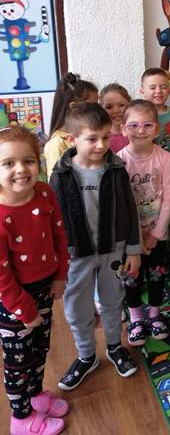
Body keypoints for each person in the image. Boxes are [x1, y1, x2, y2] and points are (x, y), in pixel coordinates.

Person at [49, 102, 141, 391]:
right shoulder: (60, 174)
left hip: (113, 250)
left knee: (113, 301)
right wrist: (55, 261)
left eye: (105, 137)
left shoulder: (116, 169)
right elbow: (52, 219)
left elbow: (130, 210)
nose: (101, 145)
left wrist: (133, 250)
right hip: (76, 255)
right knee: (77, 307)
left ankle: (115, 347)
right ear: (72, 139)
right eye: (92, 138)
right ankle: (86, 355)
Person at [0, 126, 69, 435]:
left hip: (45, 289)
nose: (20, 169)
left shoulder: (44, 192)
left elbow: (59, 236)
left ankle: (36, 395)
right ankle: (21, 417)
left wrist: (60, 275)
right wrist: (24, 310)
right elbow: (2, 277)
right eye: (8, 163)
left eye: (28, 161)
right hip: (14, 301)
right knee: (18, 363)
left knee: (40, 350)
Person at [117, 100, 170, 345]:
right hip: (130, 237)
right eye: (134, 125)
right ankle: (136, 318)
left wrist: (155, 234)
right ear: (123, 129)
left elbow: (169, 197)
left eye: (147, 125)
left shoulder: (165, 158)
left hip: (156, 233)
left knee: (157, 274)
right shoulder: (118, 161)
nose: (141, 130)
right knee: (132, 277)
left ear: (156, 129)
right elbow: (119, 205)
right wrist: (135, 241)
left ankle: (154, 314)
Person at [44, 73, 98, 179]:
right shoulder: (57, 144)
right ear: (73, 107)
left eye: (97, 104)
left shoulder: (88, 136)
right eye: (92, 105)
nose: (97, 110)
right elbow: (55, 182)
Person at [140, 67, 170, 191]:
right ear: (142, 91)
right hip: (146, 179)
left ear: (169, 91)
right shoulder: (138, 117)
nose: (158, 91)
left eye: (163, 87)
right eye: (152, 87)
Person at [98, 83, 131, 153]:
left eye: (121, 105)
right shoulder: (99, 136)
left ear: (129, 105)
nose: (116, 111)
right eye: (109, 107)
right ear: (101, 110)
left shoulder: (137, 131)